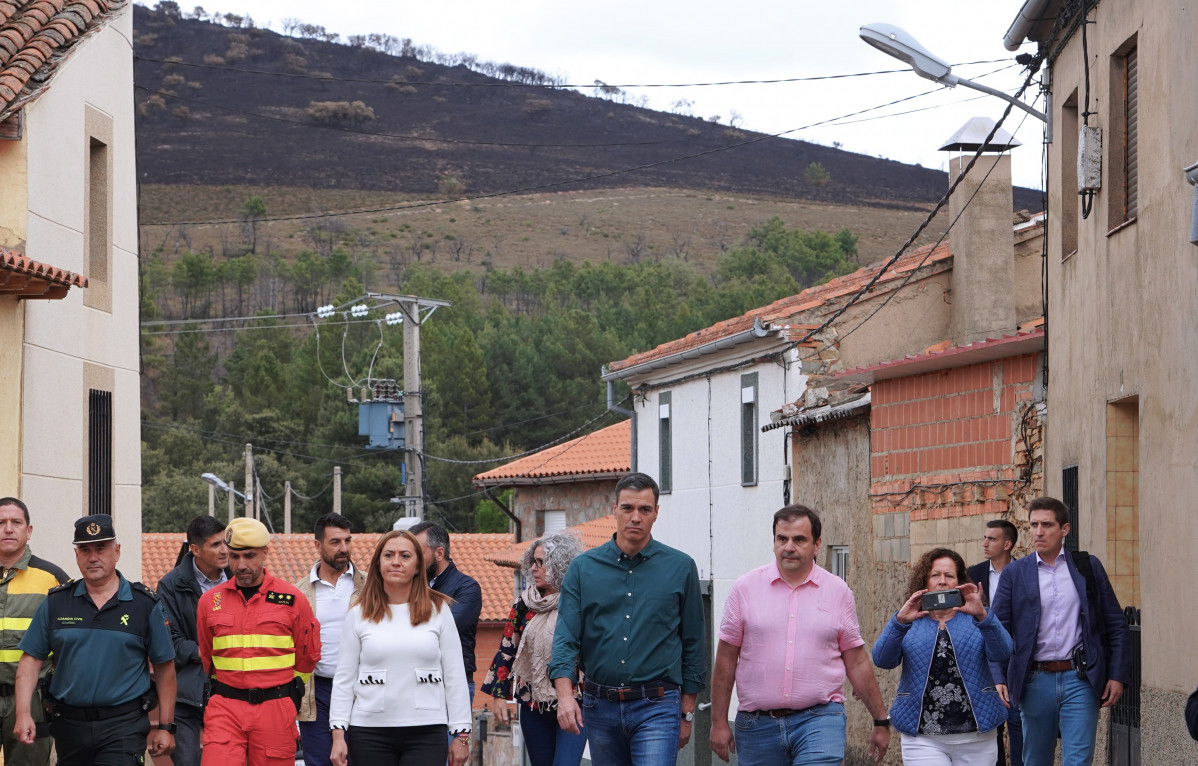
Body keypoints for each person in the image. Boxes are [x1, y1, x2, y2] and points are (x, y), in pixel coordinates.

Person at [710, 504, 891, 766]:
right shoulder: (744, 589)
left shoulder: (838, 592)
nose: (789, 547)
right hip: (757, 726)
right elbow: (726, 660)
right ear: (773, 542)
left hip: (819, 721)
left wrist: (880, 719)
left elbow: (857, 661)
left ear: (817, 545)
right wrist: (718, 722)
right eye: (782, 539)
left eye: (799, 539)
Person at [550, 472, 705, 766]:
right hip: (599, 705)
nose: (636, 517)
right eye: (628, 508)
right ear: (614, 509)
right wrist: (565, 696)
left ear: (656, 513)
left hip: (658, 706)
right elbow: (565, 637)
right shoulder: (583, 569)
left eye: (645, 510)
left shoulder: (681, 568)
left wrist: (687, 712)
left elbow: (694, 641)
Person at [14, 514, 177, 765]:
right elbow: (30, 661)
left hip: (123, 726)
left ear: (117, 551)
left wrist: (165, 725)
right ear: (77, 554)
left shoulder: (144, 605)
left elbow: (165, 668)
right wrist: (23, 713)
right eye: (85, 549)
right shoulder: (57, 602)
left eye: (101, 548)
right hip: (69, 726)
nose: (93, 557)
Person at [989, 497, 1130, 766]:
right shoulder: (1015, 573)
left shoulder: (1087, 567)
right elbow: (996, 630)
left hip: (1081, 679)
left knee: (1078, 760)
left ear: (1064, 529)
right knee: (1036, 760)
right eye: (1033, 525)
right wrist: (998, 675)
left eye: (1047, 524)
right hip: (1034, 680)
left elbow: (1115, 623)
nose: (1038, 532)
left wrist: (1117, 675)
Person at [328, 530, 471, 766]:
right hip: (368, 732)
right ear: (378, 564)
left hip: (427, 731)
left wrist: (461, 736)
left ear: (417, 566)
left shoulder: (439, 610)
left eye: (405, 556)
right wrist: (338, 734)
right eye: (389, 555)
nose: (396, 562)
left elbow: (455, 675)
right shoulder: (357, 615)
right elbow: (344, 679)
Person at [197, 517, 320, 766]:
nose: (241, 565)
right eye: (234, 557)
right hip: (225, 707)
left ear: (265, 553)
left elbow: (308, 657)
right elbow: (207, 654)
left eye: (249, 556)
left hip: (275, 708)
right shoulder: (209, 601)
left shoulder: (292, 599)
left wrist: (288, 694)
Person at [873, 547, 1013, 765]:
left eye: (949, 576)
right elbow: (882, 659)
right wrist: (899, 621)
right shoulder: (909, 621)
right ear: (924, 581)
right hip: (922, 737)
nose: (942, 581)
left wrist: (982, 615)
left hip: (976, 735)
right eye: (935, 575)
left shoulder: (977, 619)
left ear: (958, 582)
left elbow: (1003, 652)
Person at [481, 532, 587, 766]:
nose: (534, 568)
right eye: (533, 561)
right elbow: (508, 647)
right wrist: (499, 695)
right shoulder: (524, 603)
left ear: (560, 565)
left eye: (541, 562)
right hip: (532, 703)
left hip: (573, 700)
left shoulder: (580, 602)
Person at [157, 515, 231, 766]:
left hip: (231, 690)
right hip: (186, 693)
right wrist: (208, 653)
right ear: (195, 549)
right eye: (216, 545)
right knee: (187, 762)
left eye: (225, 543)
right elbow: (170, 641)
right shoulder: (170, 584)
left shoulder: (239, 579)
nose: (225, 550)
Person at [0, 497, 68, 766]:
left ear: (28, 531)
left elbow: (70, 640)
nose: (8, 529)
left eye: (16, 522)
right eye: (1, 522)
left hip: (33, 702)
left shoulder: (52, 578)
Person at [297, 513, 366, 766]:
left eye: (348, 541)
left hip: (363, 689)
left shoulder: (371, 586)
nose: (344, 548)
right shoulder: (299, 592)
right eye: (335, 542)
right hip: (316, 692)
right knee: (319, 761)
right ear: (318, 545)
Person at [967, 519, 1022, 766]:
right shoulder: (973, 574)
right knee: (992, 727)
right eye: (985, 537)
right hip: (984, 659)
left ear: (1007, 544)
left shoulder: (1024, 572)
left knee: (1018, 723)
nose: (985, 543)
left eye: (992, 539)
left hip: (1018, 658)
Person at [410, 521, 482, 705]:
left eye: (418, 553)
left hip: (452, 683)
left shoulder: (467, 588)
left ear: (439, 553)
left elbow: (441, 629)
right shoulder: (408, 586)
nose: (412, 560)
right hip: (412, 683)